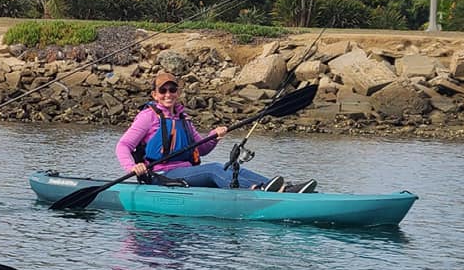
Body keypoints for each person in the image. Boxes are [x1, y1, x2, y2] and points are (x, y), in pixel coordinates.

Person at [115, 71, 317, 192]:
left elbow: (201, 150)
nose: (168, 94)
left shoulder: (183, 118)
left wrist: (214, 137)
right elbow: (123, 145)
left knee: (228, 167)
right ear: (155, 95)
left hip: (185, 170)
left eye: (172, 90)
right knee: (213, 169)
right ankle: (257, 191)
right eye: (163, 91)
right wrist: (132, 167)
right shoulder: (147, 117)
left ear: (178, 92)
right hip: (161, 174)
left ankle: (283, 188)